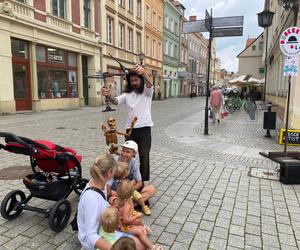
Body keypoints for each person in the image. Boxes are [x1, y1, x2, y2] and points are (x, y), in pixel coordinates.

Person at [77, 153, 145, 250]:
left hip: (105, 227)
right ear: (109, 173)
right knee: (139, 244)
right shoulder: (91, 198)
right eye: (114, 172)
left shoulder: (99, 181)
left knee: (141, 231)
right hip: (95, 238)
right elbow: (91, 235)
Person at [101, 64, 154, 182]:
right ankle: (124, 177)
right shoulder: (127, 95)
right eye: (132, 81)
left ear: (141, 80)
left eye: (136, 80)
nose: (134, 82)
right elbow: (115, 101)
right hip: (130, 131)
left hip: (145, 129)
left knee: (144, 157)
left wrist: (144, 72)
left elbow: (149, 84)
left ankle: (142, 182)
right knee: (125, 155)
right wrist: (108, 95)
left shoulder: (147, 92)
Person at [117, 180, 162, 250]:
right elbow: (126, 221)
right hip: (123, 227)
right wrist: (136, 217)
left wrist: (133, 213)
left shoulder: (119, 200)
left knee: (138, 221)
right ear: (129, 195)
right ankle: (151, 247)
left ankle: (144, 227)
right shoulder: (126, 206)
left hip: (122, 223)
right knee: (140, 232)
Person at [118, 141, 156, 208]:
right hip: (118, 191)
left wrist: (129, 190)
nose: (124, 154)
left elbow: (139, 182)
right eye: (123, 150)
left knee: (151, 189)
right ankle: (133, 204)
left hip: (130, 190)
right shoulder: (115, 161)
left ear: (134, 153)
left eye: (128, 152)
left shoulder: (134, 162)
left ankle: (130, 205)